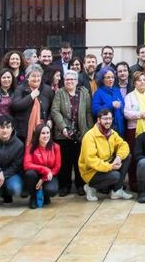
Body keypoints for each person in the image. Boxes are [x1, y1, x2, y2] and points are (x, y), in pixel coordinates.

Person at [51, 69, 93, 197]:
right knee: (65, 161)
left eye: (72, 79)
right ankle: (65, 186)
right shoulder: (59, 93)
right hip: (63, 133)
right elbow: (55, 111)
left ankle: (80, 185)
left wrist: (88, 130)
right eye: (67, 79)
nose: (70, 81)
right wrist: (63, 128)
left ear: (76, 81)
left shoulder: (84, 93)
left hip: (81, 132)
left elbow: (88, 113)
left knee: (79, 160)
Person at [79, 108, 133, 201]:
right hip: (91, 172)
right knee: (115, 175)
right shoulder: (90, 136)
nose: (108, 121)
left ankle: (116, 191)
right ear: (98, 120)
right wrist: (110, 167)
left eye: (110, 118)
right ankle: (90, 187)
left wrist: (119, 157)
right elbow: (91, 160)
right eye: (105, 119)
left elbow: (124, 145)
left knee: (127, 157)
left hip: (106, 165)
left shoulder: (112, 133)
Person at [10, 64, 54, 145]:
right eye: (33, 76)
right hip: (24, 130)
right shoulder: (21, 89)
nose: (36, 79)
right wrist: (31, 96)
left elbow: (52, 107)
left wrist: (49, 119)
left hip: (42, 131)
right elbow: (16, 106)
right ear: (27, 77)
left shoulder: (47, 90)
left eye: (38, 76)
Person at [22, 123, 61, 209]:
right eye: (43, 133)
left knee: (51, 190)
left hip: (50, 175)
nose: (46, 135)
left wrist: (43, 179)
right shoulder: (31, 147)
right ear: (37, 134)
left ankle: (46, 196)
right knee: (29, 174)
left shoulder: (56, 147)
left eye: (47, 133)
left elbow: (57, 167)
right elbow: (26, 164)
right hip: (35, 174)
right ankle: (33, 197)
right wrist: (45, 169)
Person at [92, 69, 125, 136]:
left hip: (120, 127)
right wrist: (111, 105)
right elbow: (95, 110)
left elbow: (123, 105)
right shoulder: (99, 93)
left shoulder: (117, 91)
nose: (111, 79)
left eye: (112, 77)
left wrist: (121, 105)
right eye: (108, 77)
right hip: (106, 128)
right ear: (102, 79)